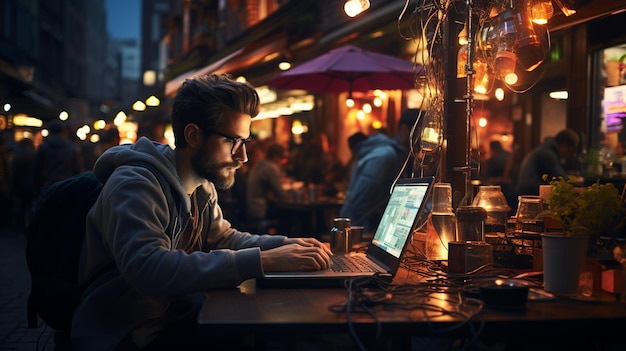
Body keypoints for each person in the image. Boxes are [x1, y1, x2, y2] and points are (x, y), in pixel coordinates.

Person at [71, 73, 331, 351]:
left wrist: (288, 246)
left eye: (246, 142)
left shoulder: (202, 185)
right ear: (193, 135)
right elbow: (147, 269)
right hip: (121, 333)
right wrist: (265, 261)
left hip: (169, 315)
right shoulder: (135, 183)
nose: (242, 156)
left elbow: (225, 239)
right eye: (233, 141)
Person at [339, 108, 422, 233]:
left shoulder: (400, 156)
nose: (423, 140)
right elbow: (359, 202)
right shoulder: (386, 156)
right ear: (405, 130)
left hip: (368, 229)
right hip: (360, 230)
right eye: (421, 133)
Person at [515, 128, 581, 196]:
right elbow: (561, 178)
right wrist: (577, 181)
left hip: (527, 190)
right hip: (530, 192)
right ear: (564, 145)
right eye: (570, 151)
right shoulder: (548, 154)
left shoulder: (546, 149)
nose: (569, 155)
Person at [245, 143, 290, 232]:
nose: (283, 162)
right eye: (282, 158)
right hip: (259, 209)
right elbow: (281, 193)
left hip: (250, 206)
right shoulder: (271, 167)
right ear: (275, 156)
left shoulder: (261, 163)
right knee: (289, 215)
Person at [33, 121, 84, 195]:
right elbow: (77, 169)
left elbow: (37, 169)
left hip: (48, 187)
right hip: (67, 186)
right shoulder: (71, 147)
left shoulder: (43, 147)